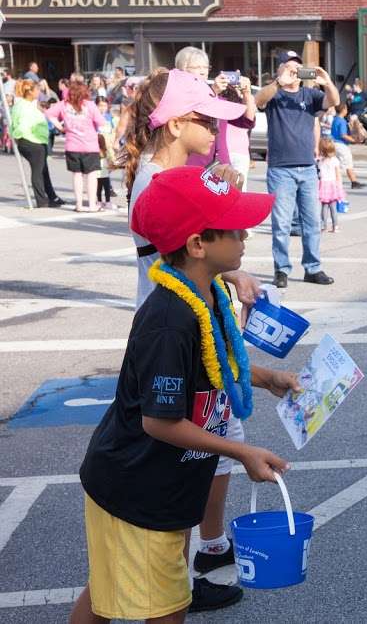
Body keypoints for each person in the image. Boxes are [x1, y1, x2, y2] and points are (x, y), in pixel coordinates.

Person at [69, 166, 299, 624]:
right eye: (234, 228)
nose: (246, 236)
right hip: (137, 490)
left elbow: (210, 363)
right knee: (167, 609)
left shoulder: (207, 293)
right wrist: (241, 451)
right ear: (198, 245)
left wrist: (265, 377)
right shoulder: (170, 319)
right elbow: (159, 421)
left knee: (107, 590)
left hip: (164, 488)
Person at [120, 69, 267, 613]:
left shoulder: (181, 170)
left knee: (211, 431)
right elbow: (182, 257)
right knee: (198, 440)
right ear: (177, 122)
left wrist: (231, 268)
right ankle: (196, 558)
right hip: (178, 328)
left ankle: (196, 557)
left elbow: (197, 251)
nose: (215, 128)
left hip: (195, 317)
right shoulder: (157, 181)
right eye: (206, 119)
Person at [253, 50, 339, 289]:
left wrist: (327, 82)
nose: (294, 71)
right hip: (281, 169)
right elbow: (258, 100)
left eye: (297, 67)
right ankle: (281, 269)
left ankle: (313, 268)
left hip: (307, 168)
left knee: (311, 222)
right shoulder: (274, 94)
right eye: (289, 67)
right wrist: (279, 82)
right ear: (280, 69)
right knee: (281, 223)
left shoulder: (309, 95)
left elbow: (334, 101)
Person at [45, 80, 106, 212]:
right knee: (91, 175)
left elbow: (49, 113)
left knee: (77, 175)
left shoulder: (63, 105)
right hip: (90, 146)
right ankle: (91, 205)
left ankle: (79, 205)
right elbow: (101, 122)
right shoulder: (89, 105)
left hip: (72, 145)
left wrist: (61, 127)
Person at [12, 79, 62, 208]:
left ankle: (52, 197)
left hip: (34, 141)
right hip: (32, 141)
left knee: (43, 170)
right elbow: (22, 125)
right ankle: (41, 200)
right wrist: (20, 136)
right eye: (37, 89)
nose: (39, 92)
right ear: (30, 92)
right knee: (38, 171)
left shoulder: (25, 104)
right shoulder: (24, 106)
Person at [329, 102, 365, 189]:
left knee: (337, 163)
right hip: (341, 145)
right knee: (347, 163)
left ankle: (334, 181)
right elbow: (343, 135)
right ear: (344, 109)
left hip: (334, 143)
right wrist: (354, 140)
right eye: (346, 108)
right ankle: (353, 182)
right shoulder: (341, 121)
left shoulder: (335, 119)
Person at [317, 137, 346, 232]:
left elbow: (319, 174)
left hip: (323, 185)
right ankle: (335, 226)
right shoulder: (335, 160)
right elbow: (338, 175)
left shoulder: (320, 161)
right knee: (333, 207)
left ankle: (324, 226)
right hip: (333, 185)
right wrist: (340, 186)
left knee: (324, 207)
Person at [95, 98, 119, 211]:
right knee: (98, 175)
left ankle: (108, 197)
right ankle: (98, 199)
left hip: (108, 148)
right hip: (98, 148)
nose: (102, 108)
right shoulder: (94, 117)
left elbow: (114, 131)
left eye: (104, 105)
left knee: (107, 171)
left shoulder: (110, 118)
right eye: (100, 105)